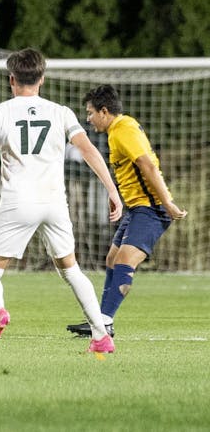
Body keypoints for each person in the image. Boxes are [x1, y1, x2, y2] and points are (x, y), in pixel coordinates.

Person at [0, 49, 123, 355]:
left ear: (11, 79)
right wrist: (112, 190)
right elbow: (90, 151)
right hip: (54, 203)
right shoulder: (61, 112)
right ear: (41, 79)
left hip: (18, 202)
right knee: (71, 270)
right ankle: (100, 335)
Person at [65, 84, 187, 338]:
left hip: (150, 208)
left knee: (124, 262)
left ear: (104, 111)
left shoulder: (124, 129)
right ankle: (103, 319)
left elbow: (148, 166)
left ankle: (104, 323)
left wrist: (167, 203)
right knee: (112, 260)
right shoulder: (117, 130)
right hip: (135, 208)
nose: (88, 118)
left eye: (90, 113)